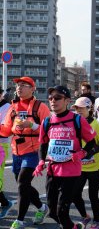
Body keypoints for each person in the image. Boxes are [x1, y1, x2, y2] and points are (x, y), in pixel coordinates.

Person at [33, 86, 96, 229]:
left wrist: (82, 153)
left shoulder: (77, 119)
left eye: (57, 98)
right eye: (50, 98)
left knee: (62, 212)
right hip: (52, 170)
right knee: (52, 212)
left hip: (71, 171)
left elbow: (92, 142)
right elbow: (43, 144)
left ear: (67, 100)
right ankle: (75, 227)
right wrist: (41, 161)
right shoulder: (47, 121)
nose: (53, 101)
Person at [0, 77, 51, 229]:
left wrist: (32, 125)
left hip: (34, 150)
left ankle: (20, 220)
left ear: (32, 88)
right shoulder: (13, 107)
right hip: (17, 150)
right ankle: (42, 208)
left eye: (23, 85)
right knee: (24, 185)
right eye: (17, 85)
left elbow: (50, 129)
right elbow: (7, 129)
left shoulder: (40, 107)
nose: (19, 88)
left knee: (22, 183)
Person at [71, 97, 99, 229]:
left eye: (81, 108)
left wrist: (90, 152)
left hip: (95, 167)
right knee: (75, 194)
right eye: (76, 108)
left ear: (89, 108)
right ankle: (85, 216)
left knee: (93, 196)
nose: (78, 110)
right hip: (79, 166)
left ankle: (96, 221)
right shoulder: (74, 123)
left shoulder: (95, 124)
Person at [0, 89, 13, 219]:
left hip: (1, 146)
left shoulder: (8, 108)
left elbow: (6, 130)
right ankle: (5, 202)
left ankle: (5, 203)